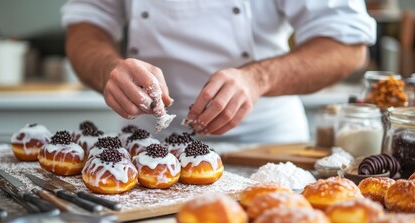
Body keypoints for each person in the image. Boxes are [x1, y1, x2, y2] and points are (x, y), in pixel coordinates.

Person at [61, 0, 376, 144]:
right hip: (144, 142)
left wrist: (257, 79)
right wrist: (108, 70)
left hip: (264, 143)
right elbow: (86, 27)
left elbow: (347, 45)